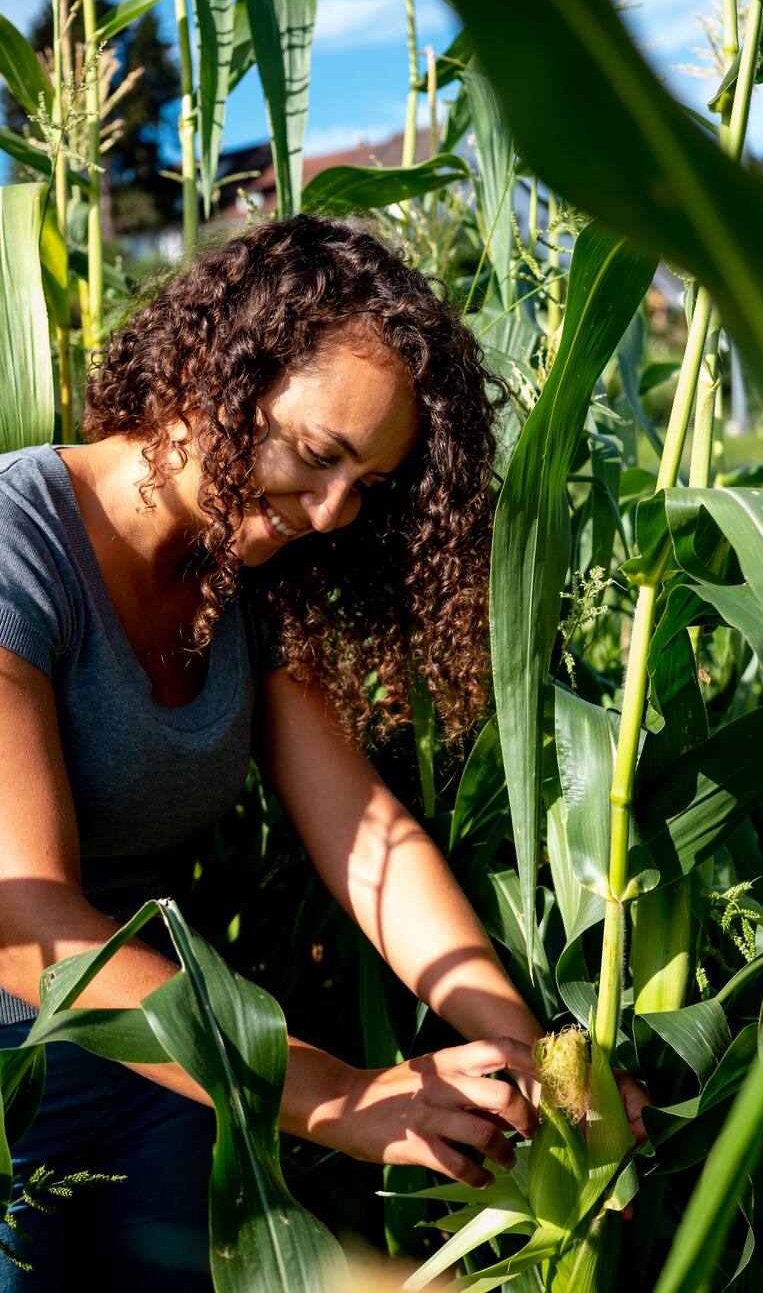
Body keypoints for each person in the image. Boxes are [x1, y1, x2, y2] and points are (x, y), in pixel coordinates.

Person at [0, 214, 646, 1289]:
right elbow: (27, 929)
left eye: (371, 487)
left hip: (176, 1074)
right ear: (214, 369)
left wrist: (534, 1057)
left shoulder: (242, 578)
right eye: (316, 455)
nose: (335, 512)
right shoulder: (20, 541)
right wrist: (341, 1098)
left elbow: (365, 834)